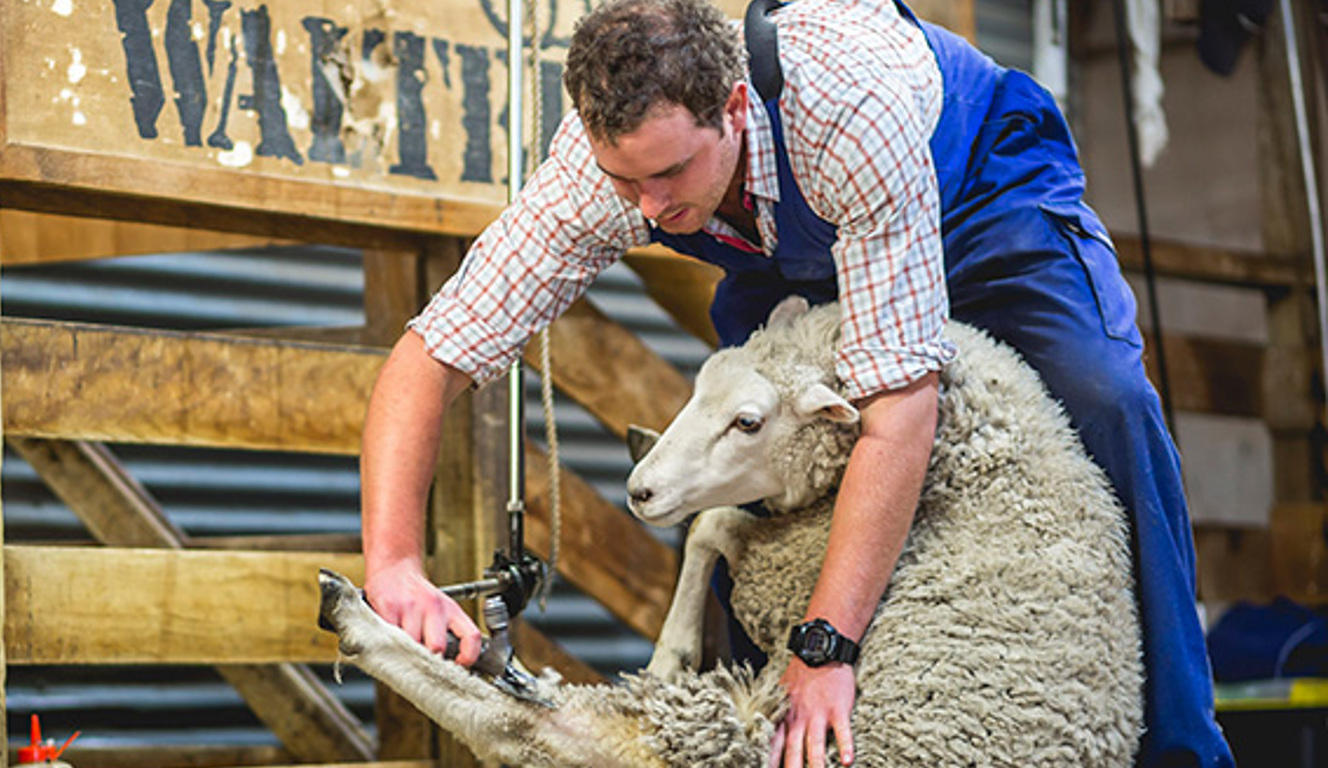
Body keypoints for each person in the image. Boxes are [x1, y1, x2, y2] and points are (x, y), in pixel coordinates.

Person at [357, 0, 1236, 766]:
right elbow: (431, 354)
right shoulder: (598, 180)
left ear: (735, 108)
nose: (651, 210)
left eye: (668, 174)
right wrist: (394, 562)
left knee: (1104, 392)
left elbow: (902, 405)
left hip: (974, 193)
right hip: (779, 239)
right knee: (759, 465)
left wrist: (828, 646)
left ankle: (1180, 743)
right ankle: (765, 730)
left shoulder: (845, 110)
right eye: (627, 180)